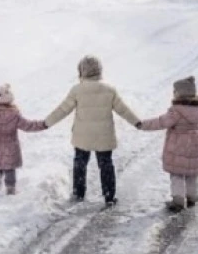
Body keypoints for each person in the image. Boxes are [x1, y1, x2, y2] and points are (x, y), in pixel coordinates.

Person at [43, 56, 140, 206]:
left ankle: (78, 192)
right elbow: (123, 109)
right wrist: (137, 122)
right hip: (104, 136)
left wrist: (46, 123)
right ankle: (109, 195)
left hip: (83, 136)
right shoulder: (109, 90)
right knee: (106, 164)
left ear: (82, 71)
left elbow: (63, 109)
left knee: (80, 163)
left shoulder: (77, 90)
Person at [138, 76, 198, 212]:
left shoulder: (176, 110)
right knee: (191, 174)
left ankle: (178, 200)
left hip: (179, 145)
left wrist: (142, 125)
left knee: (177, 174)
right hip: (196, 145)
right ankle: (192, 197)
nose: (173, 93)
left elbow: (161, 122)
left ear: (180, 93)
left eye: (174, 91)